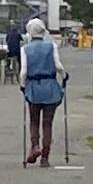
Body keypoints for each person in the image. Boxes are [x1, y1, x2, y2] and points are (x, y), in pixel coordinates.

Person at [21, 18, 70, 165]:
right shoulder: (51, 46)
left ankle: (35, 146)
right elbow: (58, 66)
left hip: (33, 88)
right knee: (47, 123)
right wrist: (64, 76)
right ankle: (45, 156)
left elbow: (23, 71)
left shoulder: (25, 49)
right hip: (50, 87)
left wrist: (23, 86)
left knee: (34, 121)